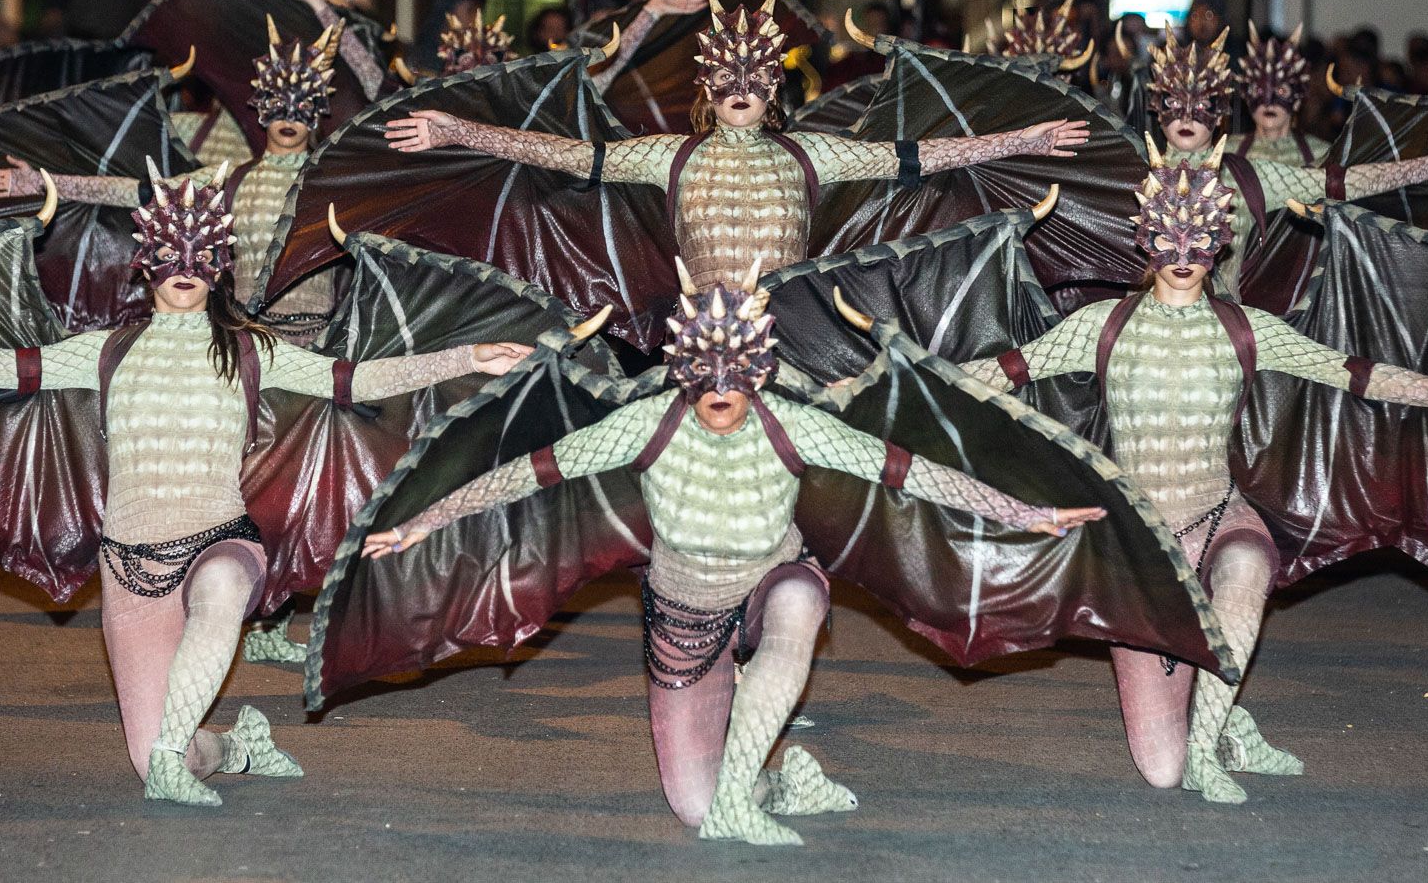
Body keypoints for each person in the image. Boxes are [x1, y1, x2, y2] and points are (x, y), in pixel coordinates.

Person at [0, 167, 534, 807]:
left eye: (200, 253)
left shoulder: (254, 349)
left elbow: (358, 380)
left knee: (218, 601)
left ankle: (173, 762)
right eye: (171, 252)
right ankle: (232, 745)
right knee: (152, 754)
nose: (185, 266)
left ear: (217, 266)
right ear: (149, 262)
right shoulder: (104, 349)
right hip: (129, 563)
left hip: (222, 540)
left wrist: (466, 354)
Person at [361, 267, 1104, 845]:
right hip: (684, 612)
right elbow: (521, 474)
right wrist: (421, 523)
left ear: (758, 368)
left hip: (772, 579)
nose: (720, 389)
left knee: (799, 600)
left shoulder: (794, 426)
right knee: (691, 802)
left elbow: (910, 470)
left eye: (735, 372)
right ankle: (776, 784)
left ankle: (740, 801)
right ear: (684, 367)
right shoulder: (643, 426)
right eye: (704, 372)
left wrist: (1025, 512)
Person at [958, 150, 1428, 803]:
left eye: (1199, 239)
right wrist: (890, 379)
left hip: (1220, 518)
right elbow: (998, 372)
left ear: (1219, 242)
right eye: (1167, 236)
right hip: (1138, 551)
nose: (1183, 252)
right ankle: (1225, 724)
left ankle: (1208, 738)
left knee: (1247, 566)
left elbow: (1359, 373)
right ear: (1145, 237)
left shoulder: (1246, 330)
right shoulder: (1100, 326)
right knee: (1157, 768)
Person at [388, 0, 1087, 290]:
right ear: (706, 85)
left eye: (754, 73)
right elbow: (567, 154)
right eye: (726, 74)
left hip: (791, 339)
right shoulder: (670, 155)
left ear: (774, 85)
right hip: (694, 346)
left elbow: (922, 155)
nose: (740, 86)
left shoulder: (813, 152)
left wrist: (1027, 137)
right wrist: (456, 129)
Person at [0, 22, 349, 327]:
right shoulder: (232, 179)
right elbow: (133, 192)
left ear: (318, 111)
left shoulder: (335, 181)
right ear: (262, 107)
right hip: (247, 339)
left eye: (301, 106)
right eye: (278, 105)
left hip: (318, 344)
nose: (288, 117)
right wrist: (40, 183)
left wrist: (319, 3)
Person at [1147, 30, 1428, 296]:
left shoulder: (1249, 174)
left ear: (1221, 109)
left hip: (1238, 318)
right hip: (1148, 322)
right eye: (1172, 103)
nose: (1187, 116)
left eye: (1202, 105)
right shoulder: (1135, 169)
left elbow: (1345, 182)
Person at [1233, 23, 1318, 166]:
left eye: (1281, 91)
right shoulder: (1225, 153)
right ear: (1247, 96)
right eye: (1258, 91)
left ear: (1297, 99)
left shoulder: (1322, 155)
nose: (1268, 103)